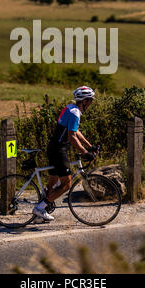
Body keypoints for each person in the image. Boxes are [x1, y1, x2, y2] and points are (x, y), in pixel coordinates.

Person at [32, 86, 97, 222]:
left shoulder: (70, 108)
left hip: (54, 147)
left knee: (53, 181)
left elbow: (76, 131)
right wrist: (85, 153)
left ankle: (40, 214)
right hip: (59, 150)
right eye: (90, 100)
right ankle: (40, 208)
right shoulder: (75, 113)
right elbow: (72, 136)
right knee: (67, 184)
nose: (91, 103)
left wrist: (89, 146)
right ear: (84, 101)